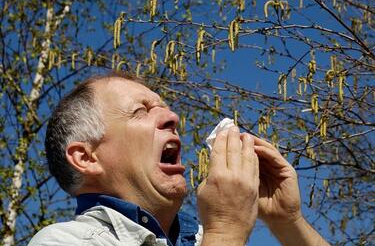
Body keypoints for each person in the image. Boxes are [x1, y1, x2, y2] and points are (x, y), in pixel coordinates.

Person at [28, 72, 331, 246]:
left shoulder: (201, 239)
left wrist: (288, 222)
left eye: (166, 108)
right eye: (141, 111)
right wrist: (225, 230)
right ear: (86, 157)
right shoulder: (65, 241)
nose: (173, 117)